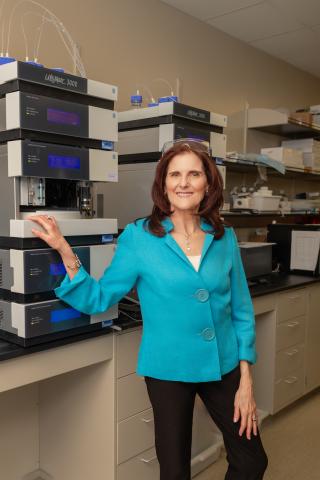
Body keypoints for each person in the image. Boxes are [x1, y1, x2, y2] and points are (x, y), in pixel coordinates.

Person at [29, 139, 268, 480]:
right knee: (174, 471)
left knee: (251, 459)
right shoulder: (139, 237)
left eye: (193, 174)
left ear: (208, 183)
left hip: (225, 363)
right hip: (167, 369)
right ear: (164, 183)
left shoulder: (223, 235)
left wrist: (246, 380)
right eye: (175, 174)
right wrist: (65, 250)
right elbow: (100, 298)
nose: (183, 182)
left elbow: (242, 309)